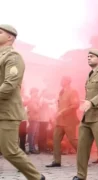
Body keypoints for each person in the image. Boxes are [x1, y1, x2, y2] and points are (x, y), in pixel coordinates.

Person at [0, 24, 45, 180]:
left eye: (0, 32)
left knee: (10, 150)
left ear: (10, 37)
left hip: (6, 112)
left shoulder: (13, 57)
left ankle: (36, 177)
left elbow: (9, 85)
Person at [73, 49, 98, 180]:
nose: (89, 58)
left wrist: (91, 102)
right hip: (87, 116)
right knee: (82, 147)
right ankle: (80, 175)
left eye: (92, 56)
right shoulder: (90, 74)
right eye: (88, 56)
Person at [46, 76, 79, 168]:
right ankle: (56, 161)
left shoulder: (72, 91)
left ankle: (83, 158)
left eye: (63, 80)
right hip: (59, 121)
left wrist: (62, 112)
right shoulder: (61, 92)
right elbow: (60, 105)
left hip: (69, 120)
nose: (61, 81)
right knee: (56, 140)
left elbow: (75, 105)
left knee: (73, 140)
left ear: (68, 81)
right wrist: (56, 114)